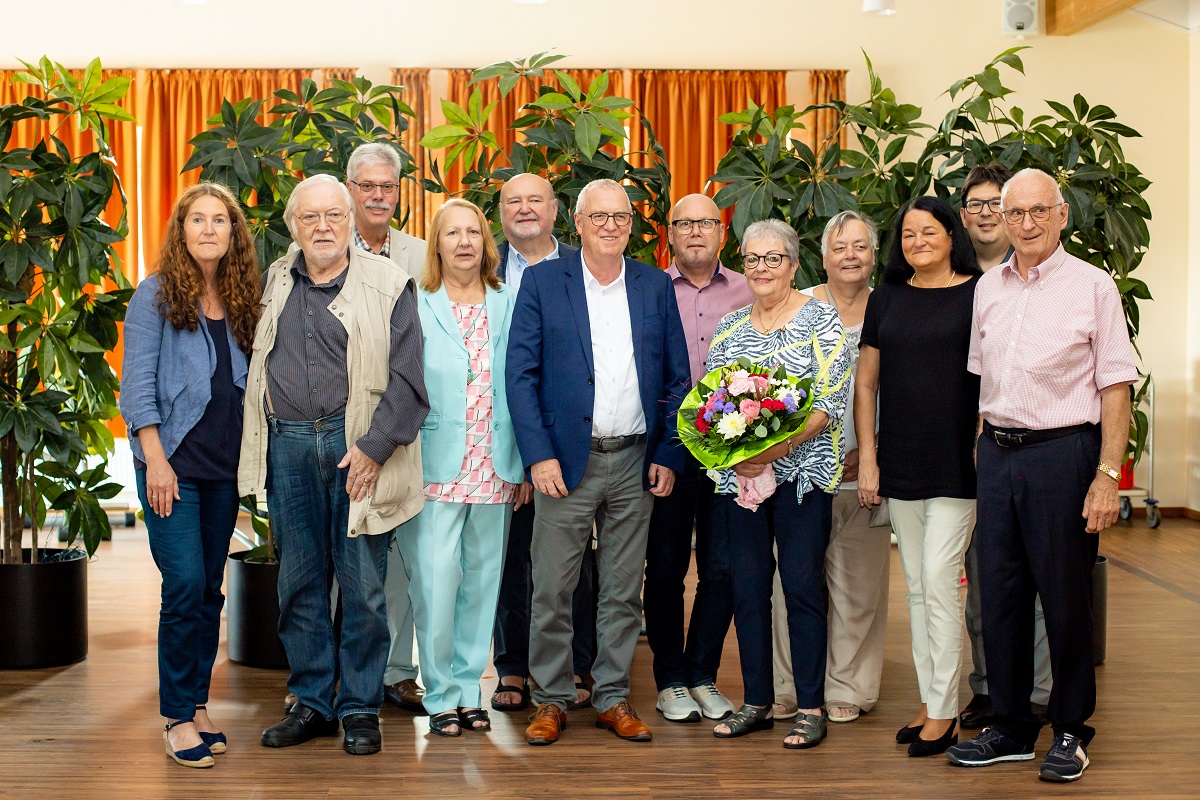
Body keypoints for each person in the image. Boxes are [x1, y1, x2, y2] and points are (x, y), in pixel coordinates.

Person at [948, 168, 1136, 782]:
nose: (1026, 223)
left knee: (1065, 597)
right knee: (998, 595)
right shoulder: (988, 289)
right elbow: (984, 378)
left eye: (1038, 211)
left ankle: (1072, 730)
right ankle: (1009, 726)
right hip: (999, 455)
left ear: (1060, 215)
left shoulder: (1093, 286)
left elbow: (1115, 386)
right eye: (1015, 213)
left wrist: (1107, 474)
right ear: (1000, 219)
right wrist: (983, 450)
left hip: (1064, 455)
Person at [242, 174, 428, 756]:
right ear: (293, 226)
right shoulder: (275, 279)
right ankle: (314, 702)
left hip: (358, 448)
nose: (322, 227)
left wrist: (373, 450)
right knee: (299, 584)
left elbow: (409, 380)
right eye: (310, 218)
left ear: (351, 220)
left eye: (333, 216)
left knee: (364, 587)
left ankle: (359, 708)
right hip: (288, 446)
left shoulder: (392, 283)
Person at [507, 178, 690, 746]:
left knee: (619, 590)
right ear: (578, 223)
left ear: (631, 226)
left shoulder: (654, 284)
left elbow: (677, 376)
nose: (611, 225)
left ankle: (612, 697)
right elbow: (520, 376)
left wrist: (667, 451)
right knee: (553, 588)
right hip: (565, 463)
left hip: (635, 459)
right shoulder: (543, 282)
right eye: (599, 216)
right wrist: (537, 457)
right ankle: (552, 699)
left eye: (621, 216)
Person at [120, 182, 261, 768]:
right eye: (197, 220)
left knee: (207, 589)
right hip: (171, 468)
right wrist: (154, 458)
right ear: (181, 230)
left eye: (220, 220)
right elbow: (136, 387)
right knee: (182, 586)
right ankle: (178, 716)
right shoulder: (154, 296)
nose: (208, 229)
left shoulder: (242, 297)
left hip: (224, 470)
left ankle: (197, 703)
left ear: (234, 234)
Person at [707, 219, 850, 749]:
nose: (762, 268)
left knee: (801, 587)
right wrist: (736, 455)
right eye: (752, 258)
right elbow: (712, 403)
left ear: (793, 264)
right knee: (746, 587)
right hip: (738, 482)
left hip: (802, 478)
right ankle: (757, 701)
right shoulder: (729, 327)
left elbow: (827, 406)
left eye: (773, 258)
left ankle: (810, 706)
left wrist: (772, 450)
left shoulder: (822, 321)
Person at [856, 196, 982, 757]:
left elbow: (994, 374)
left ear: (951, 235)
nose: (917, 242)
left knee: (938, 577)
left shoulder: (980, 295)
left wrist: (985, 443)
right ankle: (933, 701)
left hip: (960, 460)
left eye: (928, 232)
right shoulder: (886, 299)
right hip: (901, 458)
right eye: (907, 235)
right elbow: (866, 385)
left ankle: (948, 710)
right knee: (917, 587)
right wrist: (869, 456)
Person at [396, 199, 527, 736]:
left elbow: (523, 383)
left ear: (486, 242)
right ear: (437, 243)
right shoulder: (416, 300)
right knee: (435, 582)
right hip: (434, 466)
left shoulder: (509, 299)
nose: (465, 242)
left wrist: (522, 465)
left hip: (495, 465)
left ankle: (471, 689)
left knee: (483, 583)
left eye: (473, 232)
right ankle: (440, 694)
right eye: (452, 233)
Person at [772, 210, 889, 725]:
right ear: (821, 256)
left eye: (860, 246)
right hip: (796, 470)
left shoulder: (890, 307)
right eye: (839, 246)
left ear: (874, 255)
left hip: (866, 469)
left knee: (858, 586)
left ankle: (849, 686)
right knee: (790, 584)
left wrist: (874, 452)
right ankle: (787, 686)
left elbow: (905, 391)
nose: (850, 255)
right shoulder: (798, 306)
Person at [491, 172, 598, 714]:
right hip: (504, 442)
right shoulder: (483, 271)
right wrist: (520, 455)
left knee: (574, 563)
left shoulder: (587, 266)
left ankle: (579, 663)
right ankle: (511, 666)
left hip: (575, 442)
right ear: (501, 213)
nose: (525, 209)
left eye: (536, 200)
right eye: (514, 201)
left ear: (557, 211)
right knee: (511, 557)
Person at [646, 193, 751, 723]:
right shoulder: (647, 289)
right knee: (664, 569)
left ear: (721, 232)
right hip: (668, 448)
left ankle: (702, 673)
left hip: (734, 451)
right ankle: (670, 680)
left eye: (704, 223)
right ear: (670, 233)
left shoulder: (750, 288)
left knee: (723, 567)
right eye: (682, 224)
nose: (694, 233)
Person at [957, 162, 1053, 731]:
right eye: (979, 203)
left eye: (1002, 202)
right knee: (983, 581)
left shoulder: (1049, 274)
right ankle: (990, 689)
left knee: (1038, 581)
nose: (991, 212)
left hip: (1039, 450)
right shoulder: (955, 274)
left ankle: (1038, 692)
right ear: (964, 215)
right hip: (973, 453)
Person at [345, 142, 429, 715]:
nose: (378, 196)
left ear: (399, 191)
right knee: (346, 554)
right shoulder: (321, 246)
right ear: (349, 189)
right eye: (367, 186)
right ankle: (339, 673)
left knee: (399, 552)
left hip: (407, 423)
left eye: (388, 187)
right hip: (343, 428)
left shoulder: (424, 255)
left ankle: (398, 672)